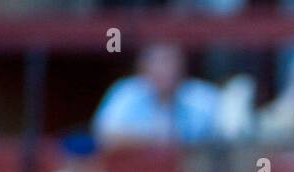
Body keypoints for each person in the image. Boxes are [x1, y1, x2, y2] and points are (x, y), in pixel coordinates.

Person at [93, 43, 221, 147]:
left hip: (190, 171)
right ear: (143, 67)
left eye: (170, 61)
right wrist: (153, 140)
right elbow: (104, 136)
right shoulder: (127, 92)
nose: (165, 69)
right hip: (136, 169)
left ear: (182, 66)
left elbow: (225, 138)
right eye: (158, 62)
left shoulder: (203, 96)